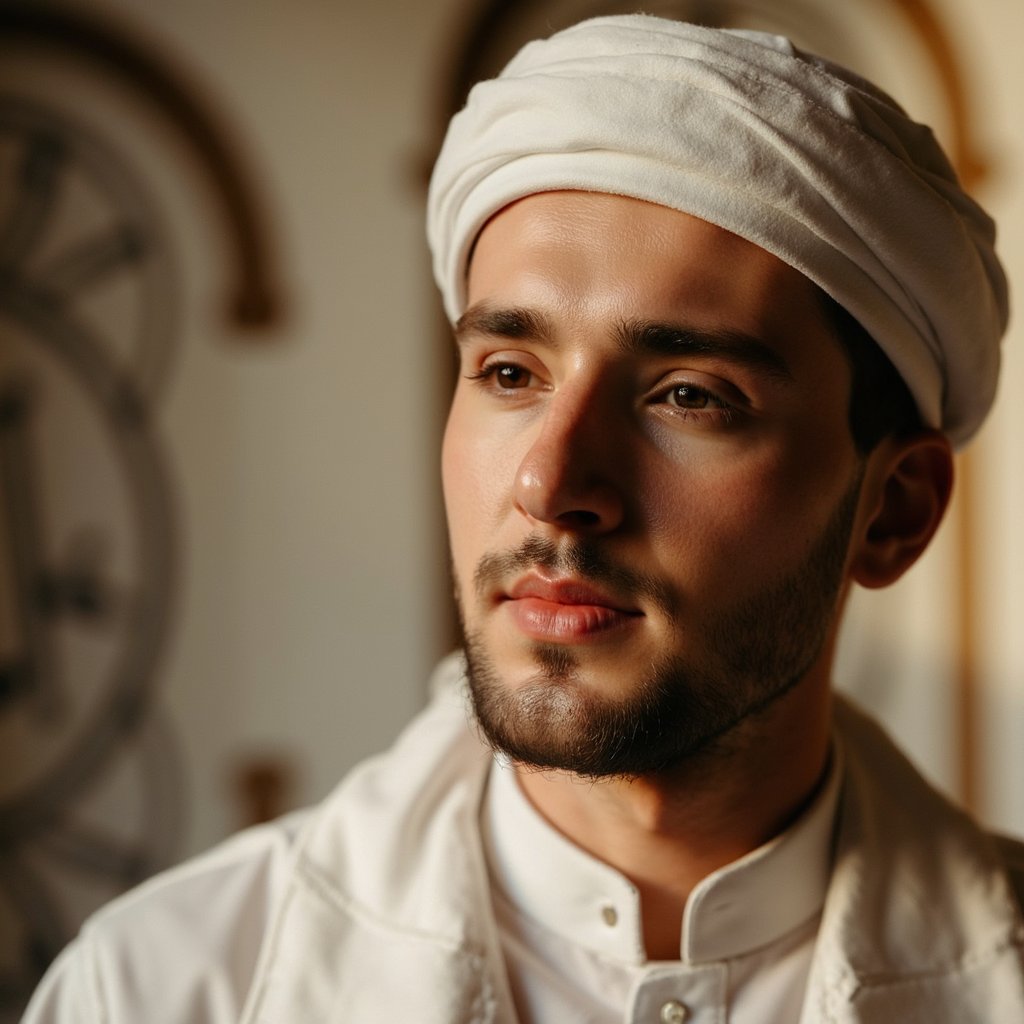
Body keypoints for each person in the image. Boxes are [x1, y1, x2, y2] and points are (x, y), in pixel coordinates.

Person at [23, 14, 1024, 1023]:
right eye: (509, 373)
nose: (550, 484)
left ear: (892, 513)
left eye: (687, 394)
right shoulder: (159, 988)